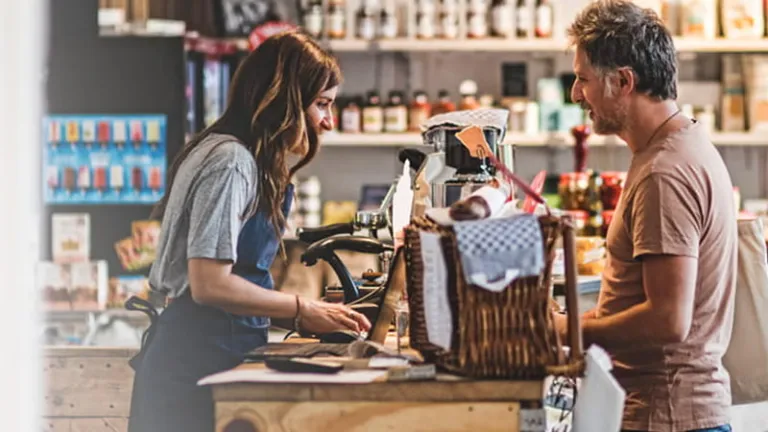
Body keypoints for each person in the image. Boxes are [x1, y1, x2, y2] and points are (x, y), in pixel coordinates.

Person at [127, 30, 371, 432]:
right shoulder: (231, 162)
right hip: (194, 367)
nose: (327, 121)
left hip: (215, 355)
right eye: (321, 104)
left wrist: (299, 320)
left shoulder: (235, 155)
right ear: (286, 102)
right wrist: (301, 308)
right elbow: (209, 285)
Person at [555, 1, 738, 431]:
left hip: (670, 415)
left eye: (583, 79)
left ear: (622, 81)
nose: (576, 94)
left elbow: (668, 319)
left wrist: (567, 330)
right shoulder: (675, 146)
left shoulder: (664, 173)